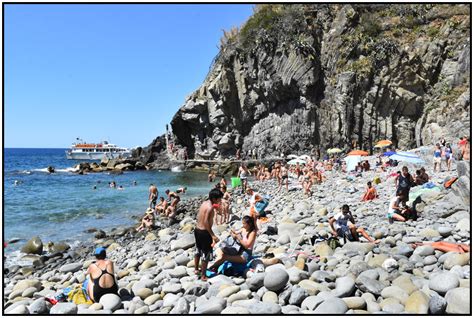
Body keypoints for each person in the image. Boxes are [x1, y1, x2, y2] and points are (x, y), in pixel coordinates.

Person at [194, 188, 222, 281]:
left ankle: (196, 269)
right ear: (214, 198)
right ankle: (203, 275)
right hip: (204, 232)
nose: (220, 200)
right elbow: (206, 222)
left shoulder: (205, 203)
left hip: (197, 230)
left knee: (198, 250)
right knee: (206, 254)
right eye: (219, 199)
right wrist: (212, 235)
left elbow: (201, 216)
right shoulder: (210, 208)